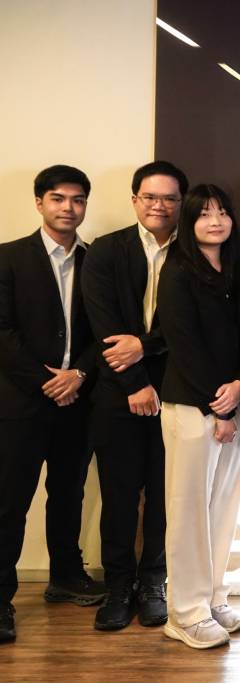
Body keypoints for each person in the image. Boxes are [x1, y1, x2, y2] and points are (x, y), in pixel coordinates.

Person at [81, 161, 188, 631]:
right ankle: (119, 586)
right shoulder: (106, 250)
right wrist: (136, 384)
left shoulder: (194, 251)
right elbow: (103, 327)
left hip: (177, 391)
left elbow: (191, 326)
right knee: (119, 495)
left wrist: (145, 346)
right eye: (150, 196)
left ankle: (153, 582)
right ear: (134, 200)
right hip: (117, 392)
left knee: (165, 496)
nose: (158, 205)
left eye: (169, 198)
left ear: (181, 203)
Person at [0, 165, 102, 643]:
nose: (68, 208)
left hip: (78, 401)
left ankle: (65, 576)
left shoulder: (96, 260)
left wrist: (78, 375)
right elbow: (2, 332)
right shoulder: (8, 258)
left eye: (77, 199)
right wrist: (48, 382)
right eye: (58, 198)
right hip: (20, 404)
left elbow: (104, 329)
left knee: (68, 493)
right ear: (39, 202)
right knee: (9, 502)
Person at [157, 184, 240, 649]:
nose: (216, 221)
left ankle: (212, 597)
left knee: (223, 507)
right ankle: (185, 612)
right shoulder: (177, 270)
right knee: (189, 511)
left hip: (236, 402)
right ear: (189, 222)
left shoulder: (237, 266)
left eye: (223, 212)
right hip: (193, 407)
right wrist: (219, 406)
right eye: (204, 214)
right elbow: (184, 345)